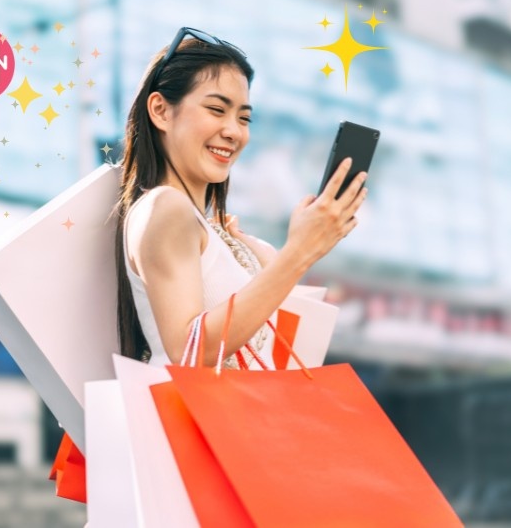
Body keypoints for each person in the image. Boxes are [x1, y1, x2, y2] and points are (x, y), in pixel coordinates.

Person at [115, 27, 367, 368]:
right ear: (160, 110)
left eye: (244, 117)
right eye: (217, 110)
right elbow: (189, 352)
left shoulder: (207, 227)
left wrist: (264, 258)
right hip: (196, 418)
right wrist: (298, 253)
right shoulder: (165, 206)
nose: (234, 131)